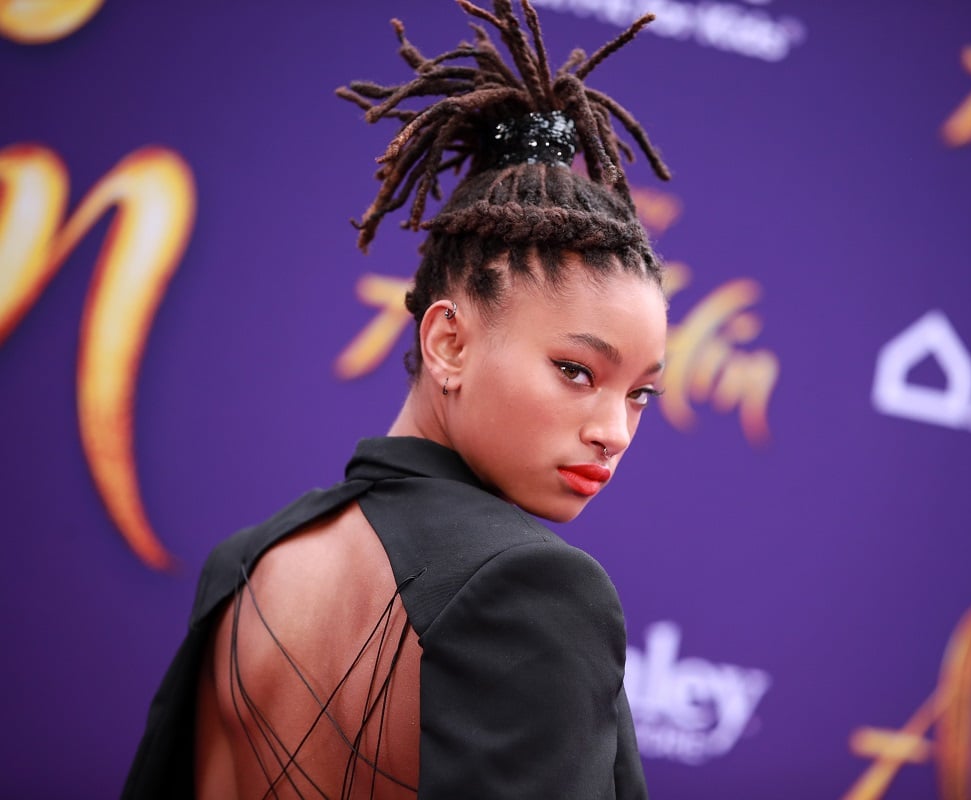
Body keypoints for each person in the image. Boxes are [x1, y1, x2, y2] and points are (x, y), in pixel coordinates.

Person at [122, 1, 672, 797]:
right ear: (447, 341)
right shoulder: (529, 587)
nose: (614, 430)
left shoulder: (248, 564)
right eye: (578, 371)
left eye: (643, 394)